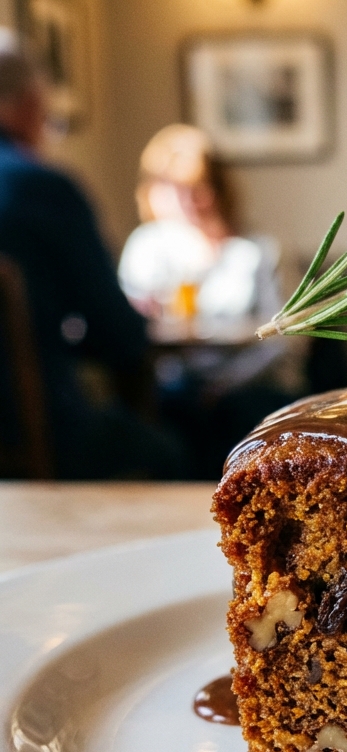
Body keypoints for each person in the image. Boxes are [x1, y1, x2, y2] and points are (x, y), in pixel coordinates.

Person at [0, 36, 185, 479]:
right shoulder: (40, 187)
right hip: (36, 432)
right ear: (30, 104)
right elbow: (119, 336)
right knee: (169, 452)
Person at [118, 124, 290, 478]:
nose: (185, 201)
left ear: (218, 189)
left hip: (250, 384)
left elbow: (286, 340)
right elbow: (129, 322)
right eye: (172, 189)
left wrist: (224, 384)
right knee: (170, 412)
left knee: (233, 414)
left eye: (197, 188)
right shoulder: (147, 247)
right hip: (177, 386)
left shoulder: (257, 252)